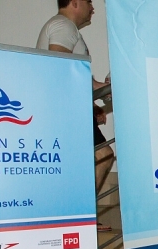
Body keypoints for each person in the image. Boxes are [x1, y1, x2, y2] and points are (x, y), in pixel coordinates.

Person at [37, 0, 114, 200]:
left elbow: (81, 78)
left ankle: (78, 209)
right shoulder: (64, 26)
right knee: (103, 155)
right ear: (75, 2)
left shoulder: (65, 27)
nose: (92, 7)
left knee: (89, 160)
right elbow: (60, 69)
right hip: (67, 110)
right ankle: (82, 209)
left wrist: (97, 98)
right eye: (89, 1)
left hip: (67, 109)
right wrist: (89, 104)